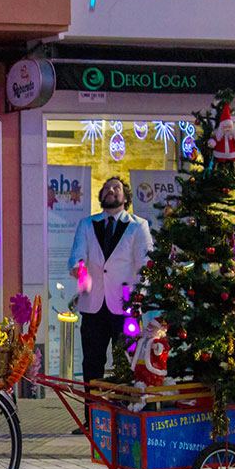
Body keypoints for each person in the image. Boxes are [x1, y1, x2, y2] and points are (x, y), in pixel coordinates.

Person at [67, 176, 153, 434]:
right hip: (93, 306)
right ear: (101, 195)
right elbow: (77, 255)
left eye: (116, 188)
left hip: (126, 307)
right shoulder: (87, 224)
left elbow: (145, 266)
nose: (111, 191)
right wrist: (80, 269)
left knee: (126, 365)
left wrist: (138, 299)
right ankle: (92, 420)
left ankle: (127, 416)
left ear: (125, 196)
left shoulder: (139, 226)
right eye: (107, 188)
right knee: (91, 365)